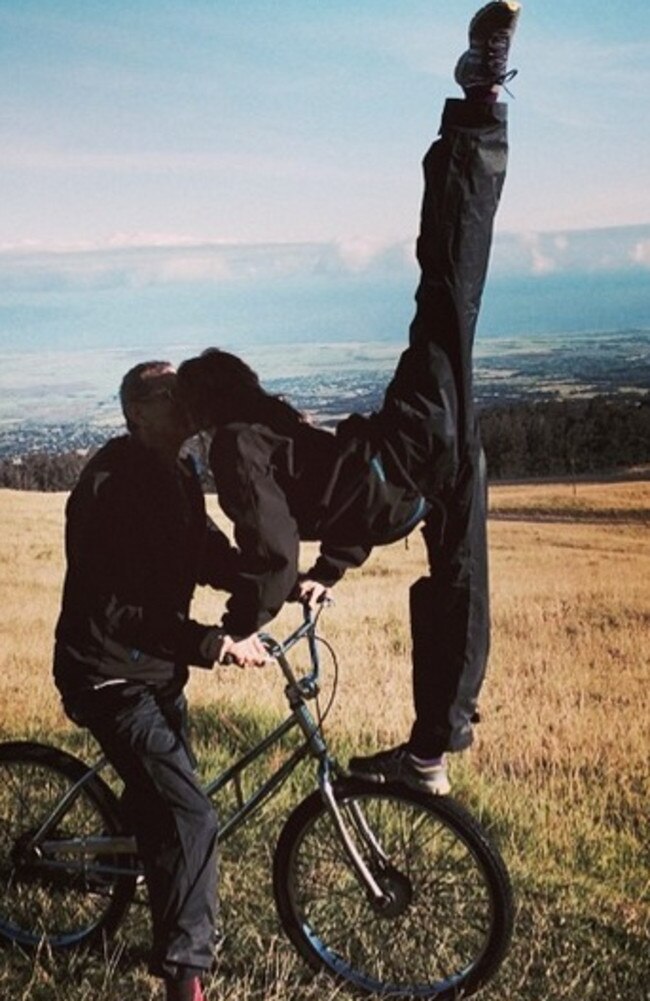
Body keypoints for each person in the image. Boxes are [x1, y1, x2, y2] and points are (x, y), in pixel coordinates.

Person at [177, 2, 522, 798]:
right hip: (417, 476)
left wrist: (238, 626)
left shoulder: (237, 444)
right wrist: (331, 565)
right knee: (455, 588)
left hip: (408, 454)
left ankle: (481, 101)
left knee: (447, 289)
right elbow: (327, 505)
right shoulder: (265, 432)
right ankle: (431, 750)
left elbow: (269, 557)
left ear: (205, 405)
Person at [53, 360, 268, 1001]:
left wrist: (265, 578)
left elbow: (200, 548)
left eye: (182, 392)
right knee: (193, 817)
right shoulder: (111, 486)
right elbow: (118, 610)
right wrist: (213, 643)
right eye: (165, 396)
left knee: (167, 809)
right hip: (108, 677)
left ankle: (132, 870)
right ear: (136, 413)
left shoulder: (179, 472)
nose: (182, 404)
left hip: (154, 672)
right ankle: (184, 977)